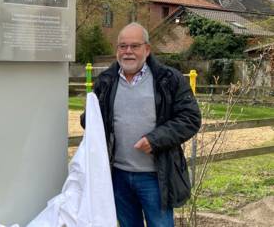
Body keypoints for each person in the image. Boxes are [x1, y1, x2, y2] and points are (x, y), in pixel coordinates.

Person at [81, 22, 201, 227]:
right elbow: (93, 120)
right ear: (117, 49)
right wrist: (88, 118)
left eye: (134, 46)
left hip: (156, 176)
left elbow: (190, 118)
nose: (128, 51)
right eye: (123, 46)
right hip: (117, 174)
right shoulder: (106, 81)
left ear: (147, 49)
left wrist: (155, 140)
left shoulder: (168, 79)